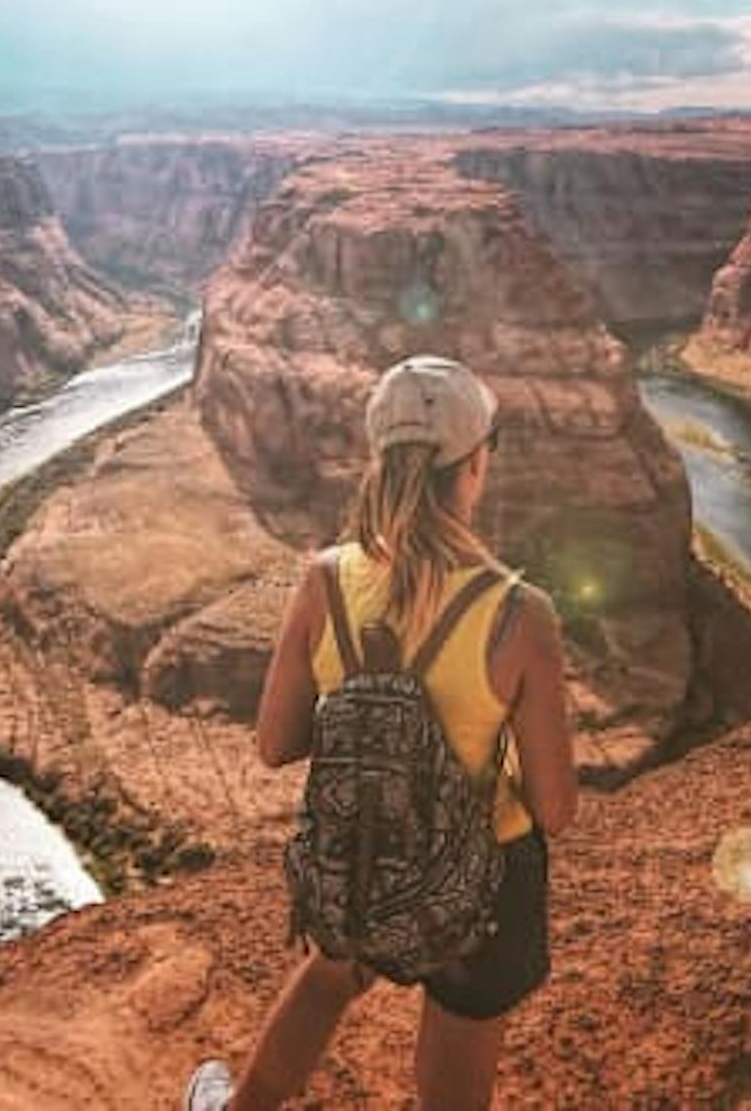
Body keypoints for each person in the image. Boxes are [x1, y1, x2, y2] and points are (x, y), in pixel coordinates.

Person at [185, 355, 580, 1111]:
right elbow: (556, 810)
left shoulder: (325, 579)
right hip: (484, 882)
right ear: (474, 464)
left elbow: (274, 744)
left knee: (333, 966)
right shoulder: (518, 611)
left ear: (380, 458)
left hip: (362, 853)